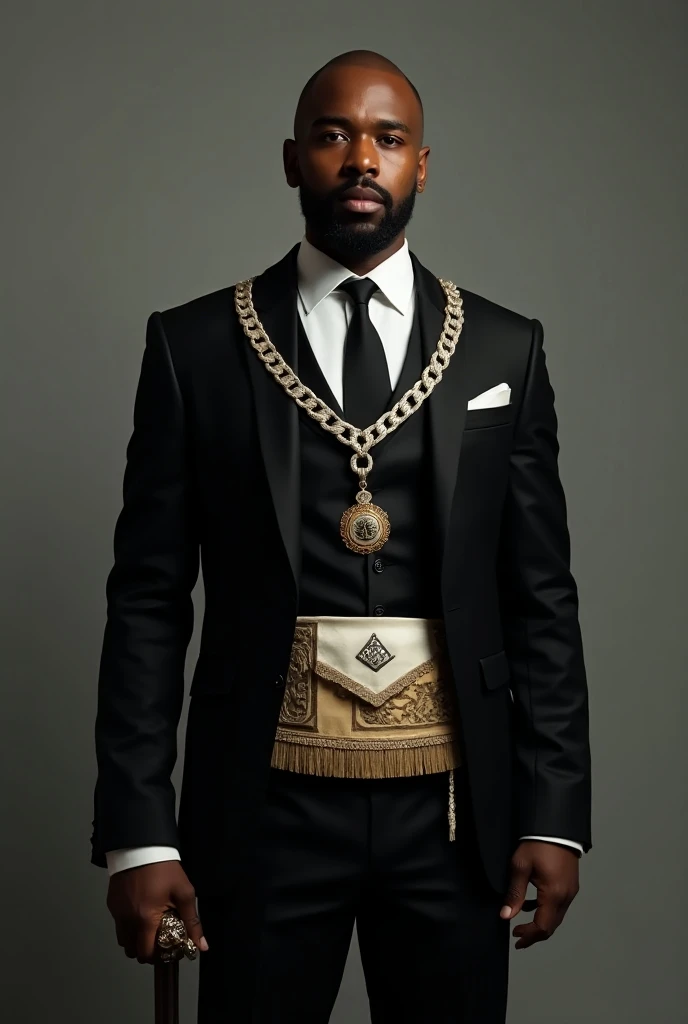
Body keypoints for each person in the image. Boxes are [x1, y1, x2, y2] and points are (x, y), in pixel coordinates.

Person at [92, 49, 592, 1024]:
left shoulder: (501, 349)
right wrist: (139, 837)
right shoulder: (194, 347)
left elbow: (541, 596)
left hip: (455, 817)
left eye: (387, 138)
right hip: (262, 813)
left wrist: (555, 813)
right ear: (292, 159)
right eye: (333, 135)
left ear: (421, 164)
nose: (361, 157)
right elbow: (148, 598)